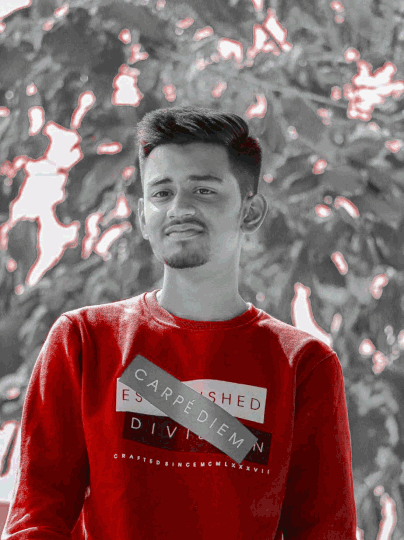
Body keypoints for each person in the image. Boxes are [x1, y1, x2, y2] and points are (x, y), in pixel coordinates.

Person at [2, 106, 357, 539]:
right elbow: (36, 518)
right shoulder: (84, 341)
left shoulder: (304, 365)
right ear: (142, 216)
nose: (179, 208)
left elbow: (325, 531)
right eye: (162, 192)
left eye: (203, 191)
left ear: (250, 212)